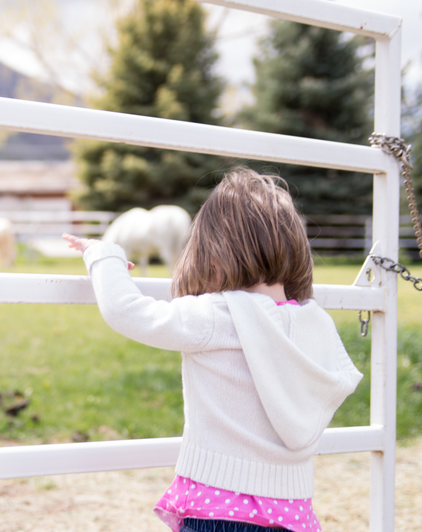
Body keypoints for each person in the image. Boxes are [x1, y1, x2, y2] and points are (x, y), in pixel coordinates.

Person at [62, 167, 363, 532]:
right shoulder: (315, 323)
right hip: (295, 513)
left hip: (220, 509)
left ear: (216, 254)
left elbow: (126, 312)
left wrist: (105, 256)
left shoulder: (217, 315)